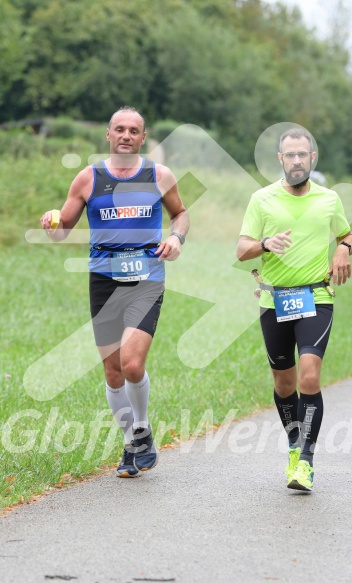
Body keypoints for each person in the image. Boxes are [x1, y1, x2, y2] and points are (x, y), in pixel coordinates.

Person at [41, 106, 189, 478]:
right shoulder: (88, 178)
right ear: (108, 134)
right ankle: (131, 443)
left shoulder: (159, 175)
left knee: (132, 363)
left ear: (142, 138)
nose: (126, 135)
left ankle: (142, 427)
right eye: (119, 129)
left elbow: (181, 214)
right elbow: (63, 229)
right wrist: (51, 223)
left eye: (133, 130)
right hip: (103, 280)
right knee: (112, 372)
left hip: (146, 277)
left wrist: (176, 237)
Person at [236, 127, 352, 492]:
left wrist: (343, 249)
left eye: (303, 154)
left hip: (316, 297)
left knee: (308, 376)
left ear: (313, 158)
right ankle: (293, 443)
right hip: (275, 299)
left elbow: (346, 234)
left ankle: (306, 460)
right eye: (291, 155)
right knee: (284, 383)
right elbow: (242, 250)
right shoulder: (262, 199)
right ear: (281, 159)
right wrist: (265, 244)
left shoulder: (329, 199)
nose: (297, 160)